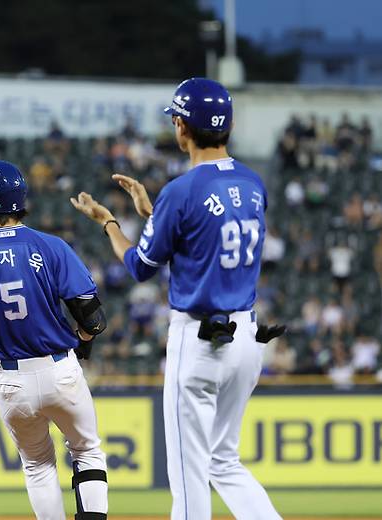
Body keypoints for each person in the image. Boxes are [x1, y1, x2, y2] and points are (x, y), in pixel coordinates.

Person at [71, 78, 283, 519]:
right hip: (247, 338)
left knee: (188, 474)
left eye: (175, 119)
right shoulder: (253, 182)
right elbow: (205, 233)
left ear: (183, 127)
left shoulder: (182, 192)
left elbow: (140, 267)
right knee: (225, 462)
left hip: (201, 341)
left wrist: (110, 221)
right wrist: (154, 214)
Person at [0, 160, 109, 520]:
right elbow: (93, 317)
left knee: (38, 466)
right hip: (60, 368)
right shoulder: (51, 246)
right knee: (87, 451)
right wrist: (84, 339)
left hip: (10, 378)